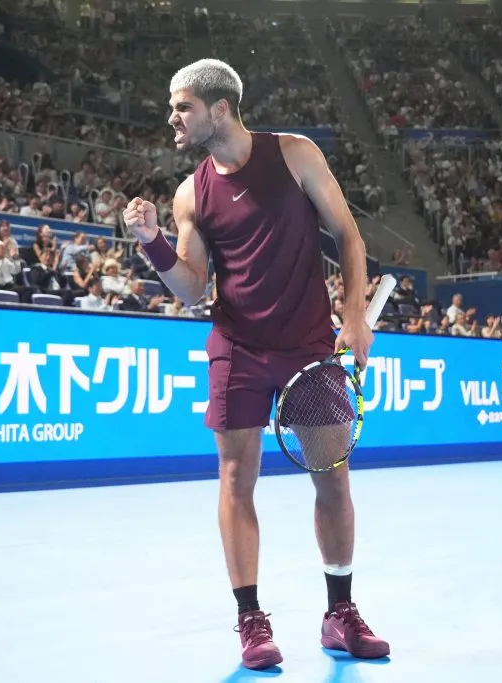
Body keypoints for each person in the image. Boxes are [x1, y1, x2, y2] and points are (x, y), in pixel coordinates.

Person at [121, 58, 389, 670]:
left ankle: (339, 612)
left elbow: (348, 234)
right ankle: (251, 620)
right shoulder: (191, 191)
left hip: (309, 349)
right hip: (236, 347)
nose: (172, 117)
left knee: (332, 478)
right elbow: (191, 289)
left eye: (181, 106)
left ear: (219, 109)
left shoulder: (295, 155)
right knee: (237, 480)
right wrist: (152, 242)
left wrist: (352, 315)